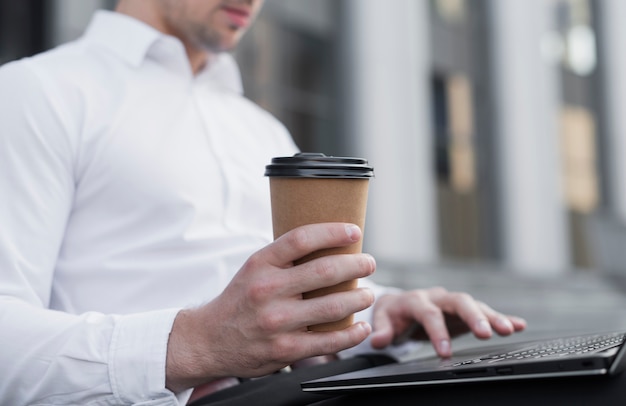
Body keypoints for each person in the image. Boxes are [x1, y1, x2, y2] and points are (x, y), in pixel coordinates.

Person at [0, 1, 526, 405]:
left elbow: (282, 294)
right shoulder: (36, 92)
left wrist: (380, 307)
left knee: (545, 379)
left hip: (311, 387)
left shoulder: (259, 127)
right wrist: (194, 345)